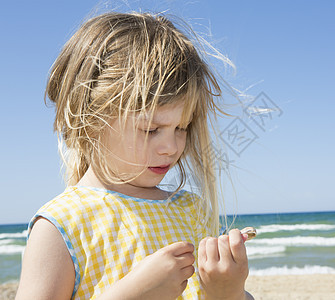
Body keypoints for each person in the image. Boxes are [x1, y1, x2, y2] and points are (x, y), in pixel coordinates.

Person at [16, 12, 254, 300]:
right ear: (90, 121)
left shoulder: (192, 210)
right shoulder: (61, 225)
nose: (171, 146)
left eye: (182, 127)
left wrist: (228, 292)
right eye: (152, 129)